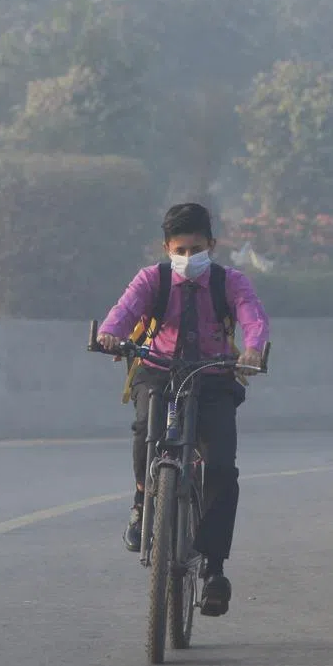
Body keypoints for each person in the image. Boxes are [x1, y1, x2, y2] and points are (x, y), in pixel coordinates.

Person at [97, 202, 269, 617]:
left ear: (212, 244)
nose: (189, 258)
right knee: (144, 430)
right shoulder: (150, 280)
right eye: (181, 250)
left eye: (197, 248)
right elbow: (123, 312)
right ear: (167, 248)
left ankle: (213, 569)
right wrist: (109, 334)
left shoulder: (231, 282)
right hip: (158, 372)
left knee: (222, 469)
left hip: (214, 376)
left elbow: (254, 318)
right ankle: (143, 503)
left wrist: (251, 349)